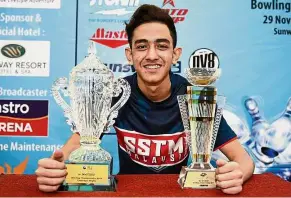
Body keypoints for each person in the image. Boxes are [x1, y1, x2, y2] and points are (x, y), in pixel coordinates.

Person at [35, 4, 254, 194]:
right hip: (127, 193)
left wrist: (236, 175)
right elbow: (76, 145)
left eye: (161, 45)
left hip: (179, 193)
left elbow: (244, 161)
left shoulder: (195, 97)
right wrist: (54, 168)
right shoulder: (115, 92)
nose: (151, 55)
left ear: (175, 54)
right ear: (129, 55)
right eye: (141, 46)